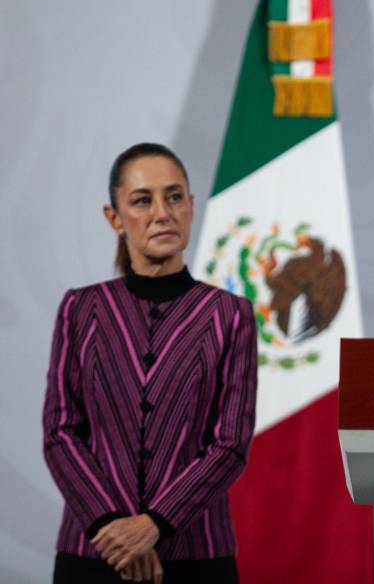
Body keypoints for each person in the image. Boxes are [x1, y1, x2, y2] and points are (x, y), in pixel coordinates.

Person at [43, 143, 257, 583]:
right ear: (115, 217)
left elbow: (230, 443)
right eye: (142, 200)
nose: (163, 213)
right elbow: (60, 431)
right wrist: (111, 526)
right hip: (94, 552)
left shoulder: (230, 314)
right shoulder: (80, 309)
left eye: (174, 197)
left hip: (198, 557)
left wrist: (154, 524)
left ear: (191, 206)